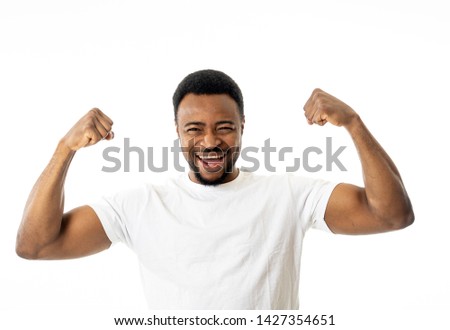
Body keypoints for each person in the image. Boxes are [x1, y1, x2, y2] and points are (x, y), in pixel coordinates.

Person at [16, 69, 414, 309]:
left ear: (243, 128)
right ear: (176, 132)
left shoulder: (290, 195)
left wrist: (354, 124)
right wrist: (64, 149)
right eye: (194, 129)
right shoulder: (139, 205)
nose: (210, 141)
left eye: (224, 127)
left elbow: (392, 214)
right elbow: (35, 245)